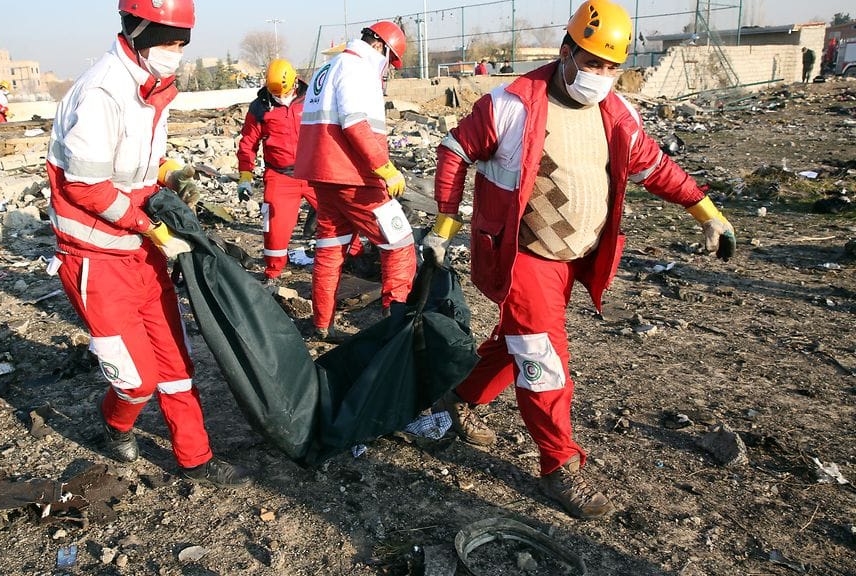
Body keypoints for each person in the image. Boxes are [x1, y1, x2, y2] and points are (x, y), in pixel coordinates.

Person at [422, 0, 736, 520]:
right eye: (592, 63)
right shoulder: (512, 104)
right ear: (566, 52)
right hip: (524, 255)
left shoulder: (617, 113)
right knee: (543, 358)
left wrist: (706, 212)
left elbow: (655, 166)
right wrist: (446, 223)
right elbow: (455, 150)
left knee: (518, 340)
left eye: (612, 67)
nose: (601, 76)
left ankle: (459, 393)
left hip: (574, 258)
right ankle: (559, 465)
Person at [46, 0, 249, 487]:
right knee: (136, 380)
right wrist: (148, 226)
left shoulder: (148, 89)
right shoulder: (102, 92)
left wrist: (171, 172)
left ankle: (195, 457)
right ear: (137, 30)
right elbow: (85, 187)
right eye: (168, 41)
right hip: (96, 258)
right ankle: (115, 422)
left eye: (182, 43)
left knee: (176, 363)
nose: (175, 53)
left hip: (140, 254)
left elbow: (136, 161)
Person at [295, 21, 415, 341]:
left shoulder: (328, 67)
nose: (388, 68)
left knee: (330, 249)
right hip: (355, 178)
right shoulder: (357, 67)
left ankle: (322, 324)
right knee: (399, 241)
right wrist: (384, 167)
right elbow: (355, 123)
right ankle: (397, 326)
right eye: (390, 60)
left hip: (324, 177)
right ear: (380, 47)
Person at [236, 59, 316, 290]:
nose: (282, 97)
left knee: (341, 214)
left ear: (295, 81)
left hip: (314, 172)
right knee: (274, 227)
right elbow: (248, 143)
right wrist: (245, 176)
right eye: (276, 94)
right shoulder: (260, 106)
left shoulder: (312, 98)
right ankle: (273, 272)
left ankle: (354, 256)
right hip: (280, 176)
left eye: (286, 91)